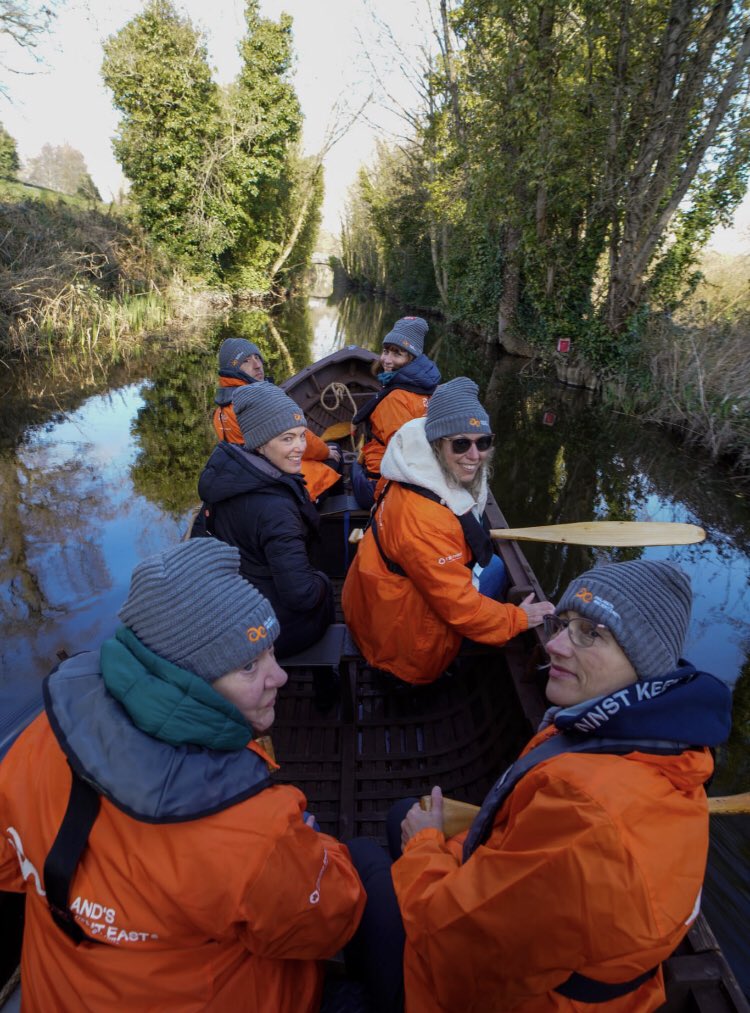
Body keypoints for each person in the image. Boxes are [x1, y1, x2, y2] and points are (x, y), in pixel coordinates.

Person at [0, 539, 366, 1012]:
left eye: (271, 653)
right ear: (190, 681)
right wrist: (316, 847)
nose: (280, 677)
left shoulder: (41, 736)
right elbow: (331, 922)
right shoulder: (255, 832)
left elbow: (9, 868)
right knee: (364, 872)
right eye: (249, 666)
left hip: (54, 996)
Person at [358, 559, 733, 1012]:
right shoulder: (663, 746)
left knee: (361, 859)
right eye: (564, 623)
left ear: (643, 663)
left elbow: (453, 946)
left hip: (496, 995)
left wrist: (423, 847)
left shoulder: (587, 816)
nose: (554, 644)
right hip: (543, 943)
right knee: (404, 814)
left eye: (590, 633)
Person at [342, 376, 553, 683]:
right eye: (460, 444)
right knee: (495, 569)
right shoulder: (426, 519)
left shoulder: (406, 466)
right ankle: (454, 665)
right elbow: (462, 610)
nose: (474, 456)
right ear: (437, 444)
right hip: (399, 649)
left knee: (492, 565)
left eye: (483, 442)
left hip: (371, 605)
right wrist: (518, 618)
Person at [192, 381, 335, 659]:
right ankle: (327, 680)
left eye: (301, 436)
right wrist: (322, 581)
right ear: (260, 442)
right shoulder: (276, 509)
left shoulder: (226, 477)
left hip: (237, 610)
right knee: (324, 588)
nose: (300, 447)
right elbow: (301, 596)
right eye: (287, 439)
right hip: (274, 629)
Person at [213, 336, 341, 503]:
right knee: (335, 453)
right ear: (232, 370)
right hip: (280, 481)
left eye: (257, 357)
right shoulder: (260, 402)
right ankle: (333, 508)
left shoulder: (220, 412)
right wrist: (326, 452)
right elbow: (305, 442)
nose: (257, 365)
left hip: (252, 477)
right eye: (246, 361)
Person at [350, 316, 440, 509]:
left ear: (412, 358)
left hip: (380, 486)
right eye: (385, 351)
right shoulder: (431, 388)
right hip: (426, 475)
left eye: (397, 353)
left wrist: (384, 498)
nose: (386, 360)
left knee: (349, 464)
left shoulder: (394, 400)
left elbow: (401, 458)